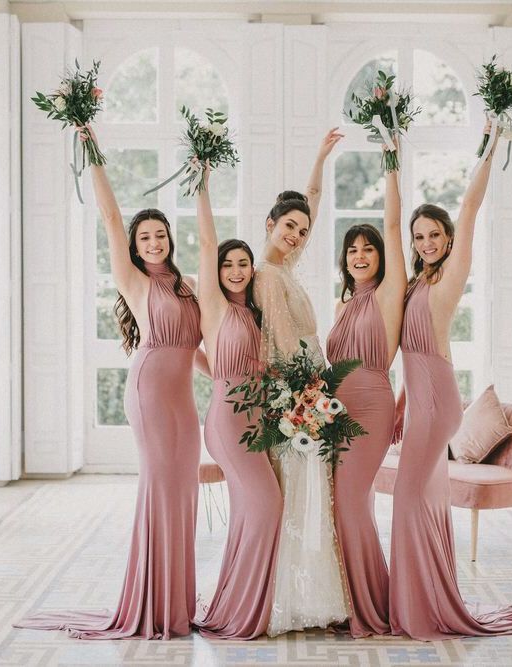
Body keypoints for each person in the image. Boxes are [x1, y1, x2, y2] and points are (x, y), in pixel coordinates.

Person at [15, 125, 202, 640]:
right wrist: (92, 149)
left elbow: (198, 351)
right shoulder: (135, 281)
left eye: (160, 234)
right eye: (145, 238)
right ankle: (154, 603)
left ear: (170, 238)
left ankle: (177, 601)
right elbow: (112, 216)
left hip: (186, 403)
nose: (153, 241)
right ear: (136, 248)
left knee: (183, 491)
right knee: (161, 488)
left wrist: (237, 375)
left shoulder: (189, 289)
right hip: (148, 396)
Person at [388, 124, 512, 641]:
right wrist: (400, 405)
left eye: (435, 235)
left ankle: (415, 606)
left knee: (408, 498)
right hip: (420, 398)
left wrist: (490, 145)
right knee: (422, 498)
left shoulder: (450, 275)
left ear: (448, 239)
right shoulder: (412, 284)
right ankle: (419, 598)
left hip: (440, 400)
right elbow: (411, 356)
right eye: (419, 237)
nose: (427, 243)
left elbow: (470, 207)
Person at [253, 128, 351, 636]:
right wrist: (308, 399)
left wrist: (318, 160)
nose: (297, 235)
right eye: (288, 227)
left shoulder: (282, 264)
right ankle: (294, 599)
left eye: (303, 232)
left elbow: (308, 202)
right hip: (297, 392)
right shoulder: (267, 275)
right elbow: (280, 346)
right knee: (302, 491)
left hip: (308, 385)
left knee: (314, 490)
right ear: (269, 225)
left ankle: (313, 594)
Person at [193, 163, 283, 639]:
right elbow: (208, 244)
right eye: (228, 264)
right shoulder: (213, 303)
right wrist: (203, 185)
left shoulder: (255, 310)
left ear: (252, 268)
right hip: (229, 417)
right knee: (267, 504)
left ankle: (240, 603)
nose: (233, 270)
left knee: (251, 510)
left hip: (257, 415)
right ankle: (245, 608)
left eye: (241, 263)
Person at [327, 151, 407, 637]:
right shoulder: (341, 303)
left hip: (372, 407)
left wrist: (391, 159)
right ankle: (344, 596)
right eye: (352, 250)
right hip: (334, 413)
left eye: (368, 250)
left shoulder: (387, 293)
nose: (360, 256)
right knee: (340, 501)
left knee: (351, 501)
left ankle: (370, 604)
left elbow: (395, 227)